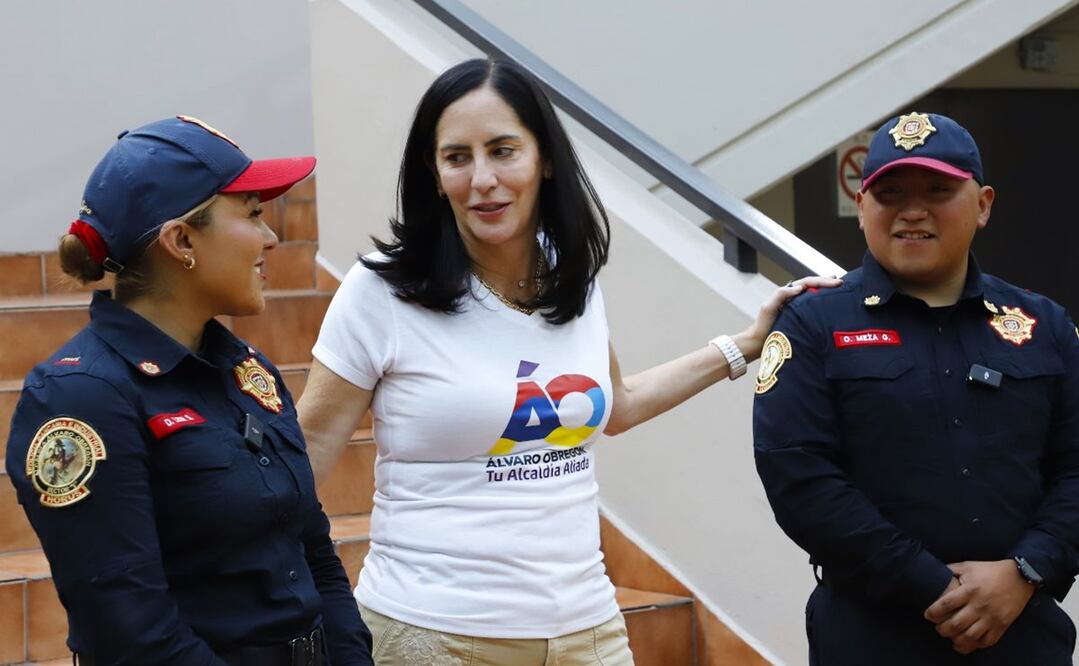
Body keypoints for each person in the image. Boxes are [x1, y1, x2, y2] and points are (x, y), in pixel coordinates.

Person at [297, 58, 838, 665]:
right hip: (436, 633)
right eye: (457, 157)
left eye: (503, 151)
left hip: (587, 631)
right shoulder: (383, 292)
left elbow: (618, 405)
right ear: (435, 172)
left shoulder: (570, 279)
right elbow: (305, 455)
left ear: (545, 159)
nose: (482, 179)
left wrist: (744, 344)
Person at [5, 116, 373, 665]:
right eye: (252, 214)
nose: (271, 238)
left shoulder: (248, 370)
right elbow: (130, 630)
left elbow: (312, 548)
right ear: (181, 241)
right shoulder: (80, 396)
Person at [753, 111, 1079, 665]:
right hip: (871, 633)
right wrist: (933, 587)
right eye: (890, 194)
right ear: (862, 208)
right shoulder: (813, 324)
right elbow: (799, 477)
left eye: (938, 191)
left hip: (1020, 628)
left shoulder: (1042, 324)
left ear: (983, 205)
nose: (912, 210)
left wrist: (1025, 571)